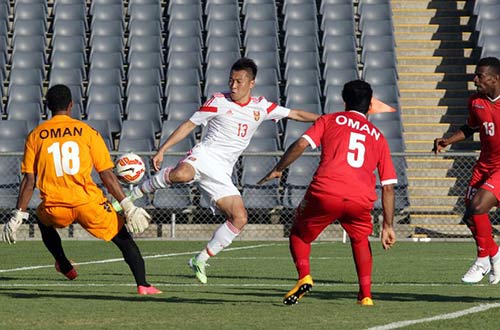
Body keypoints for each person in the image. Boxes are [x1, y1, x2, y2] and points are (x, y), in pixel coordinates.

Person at [116, 57, 319, 283]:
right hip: (203, 156)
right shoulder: (218, 100)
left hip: (222, 171)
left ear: (251, 83)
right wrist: (163, 149)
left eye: (239, 81)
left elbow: (297, 114)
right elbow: (189, 124)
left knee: (240, 218)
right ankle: (130, 196)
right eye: (231, 80)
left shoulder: (262, 106)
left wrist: (326, 120)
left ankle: (200, 259)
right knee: (182, 174)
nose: (233, 85)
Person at [1, 85, 161, 295]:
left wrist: (18, 214)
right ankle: (143, 284)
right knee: (122, 238)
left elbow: (29, 180)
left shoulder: (35, 136)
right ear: (71, 106)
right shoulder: (87, 132)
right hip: (89, 204)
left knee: (41, 218)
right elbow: (106, 174)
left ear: (47, 107)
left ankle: (64, 265)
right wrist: (127, 205)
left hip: (56, 207)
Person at [258, 80, 397, 306]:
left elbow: (302, 144)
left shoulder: (330, 120)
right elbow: (388, 186)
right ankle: (366, 296)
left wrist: (278, 169)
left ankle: (304, 275)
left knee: (299, 234)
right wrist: (388, 225)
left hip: (327, 190)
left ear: (344, 102)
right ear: (370, 106)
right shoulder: (378, 136)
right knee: (360, 239)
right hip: (360, 198)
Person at [433, 57, 500, 285]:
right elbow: (470, 127)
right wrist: (448, 140)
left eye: (480, 75)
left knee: (479, 206)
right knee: (471, 216)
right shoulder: (476, 102)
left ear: (495, 78)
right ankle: (495, 254)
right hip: (484, 165)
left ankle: (483, 258)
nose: (475, 79)